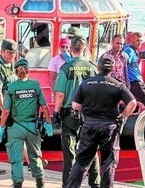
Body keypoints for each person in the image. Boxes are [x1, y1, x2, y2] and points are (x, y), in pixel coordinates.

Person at [66, 57, 137, 188]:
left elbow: (75, 105)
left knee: (81, 162)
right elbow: (133, 103)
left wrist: (87, 108)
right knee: (109, 163)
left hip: (89, 126)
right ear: (113, 69)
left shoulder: (86, 84)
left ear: (98, 68)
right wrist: (122, 115)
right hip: (109, 127)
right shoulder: (118, 85)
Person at [0, 58, 53, 188]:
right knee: (34, 156)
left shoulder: (11, 88)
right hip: (32, 127)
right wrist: (48, 124)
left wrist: (1, 128)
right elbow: (44, 107)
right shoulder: (35, 85)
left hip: (16, 127)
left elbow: (5, 111)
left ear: (16, 72)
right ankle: (40, 182)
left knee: (17, 159)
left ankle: (17, 183)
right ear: (28, 71)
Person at [53, 35, 100, 188]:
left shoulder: (66, 68)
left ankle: (69, 184)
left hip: (69, 115)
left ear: (71, 49)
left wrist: (56, 113)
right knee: (91, 149)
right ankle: (95, 182)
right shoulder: (92, 68)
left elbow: (60, 94)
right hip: (89, 115)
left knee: (69, 152)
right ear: (84, 49)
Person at [0, 39, 18, 175]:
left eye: (14, 53)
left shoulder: (10, 64)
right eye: (10, 53)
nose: (13, 56)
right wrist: (5, 110)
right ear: (3, 51)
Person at [123, 32, 145, 110]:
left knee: (134, 107)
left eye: (141, 41)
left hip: (133, 82)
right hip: (135, 82)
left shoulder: (133, 50)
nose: (139, 43)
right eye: (137, 40)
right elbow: (124, 63)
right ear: (131, 41)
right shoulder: (129, 50)